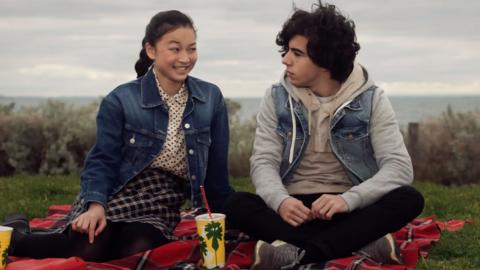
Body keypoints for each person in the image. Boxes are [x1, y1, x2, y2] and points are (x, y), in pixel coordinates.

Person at [5, 10, 233, 262]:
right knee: (89, 246)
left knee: (136, 247)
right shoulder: (121, 100)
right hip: (117, 188)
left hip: (162, 197)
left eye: (191, 49)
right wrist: (95, 206)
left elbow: (216, 171)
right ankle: (17, 236)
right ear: (151, 50)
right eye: (175, 49)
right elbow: (103, 159)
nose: (185, 58)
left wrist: (226, 213)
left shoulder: (210, 98)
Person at [224, 2, 424, 269]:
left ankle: (301, 252)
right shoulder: (275, 97)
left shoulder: (372, 99)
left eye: (297, 53)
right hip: (294, 209)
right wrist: (281, 201)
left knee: (409, 198)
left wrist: (348, 199)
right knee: (236, 204)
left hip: (350, 207)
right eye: (287, 51)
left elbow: (399, 167)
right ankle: (360, 244)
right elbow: (263, 161)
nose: (285, 60)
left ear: (324, 61)